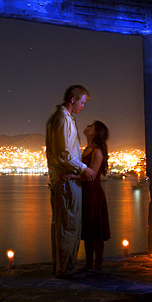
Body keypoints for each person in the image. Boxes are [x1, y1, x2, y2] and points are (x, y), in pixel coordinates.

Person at [45, 85, 96, 278]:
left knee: (61, 223)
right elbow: (64, 153)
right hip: (67, 181)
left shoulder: (57, 119)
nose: (83, 106)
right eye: (82, 102)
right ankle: (65, 269)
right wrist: (84, 169)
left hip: (62, 179)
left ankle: (60, 266)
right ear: (73, 99)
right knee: (69, 224)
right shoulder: (62, 119)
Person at [64, 121, 111, 274]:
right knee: (88, 231)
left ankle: (97, 265)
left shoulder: (97, 152)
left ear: (95, 133)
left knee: (96, 231)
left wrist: (71, 176)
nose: (88, 126)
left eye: (91, 126)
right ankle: (88, 264)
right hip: (85, 194)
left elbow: (91, 176)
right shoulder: (86, 150)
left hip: (94, 195)